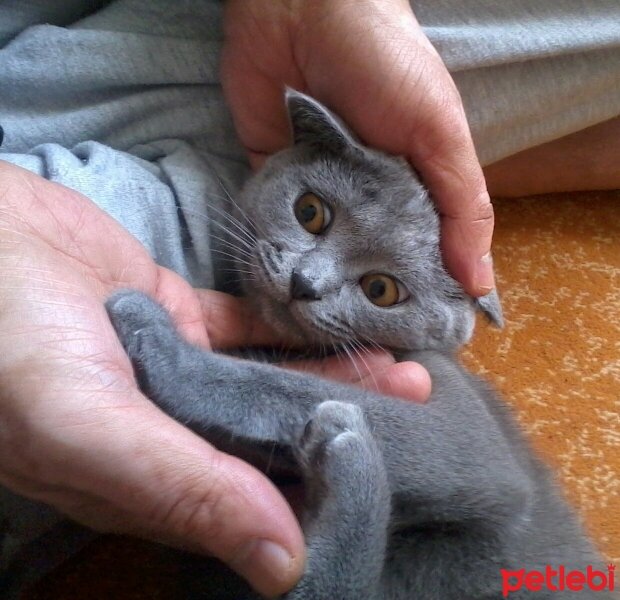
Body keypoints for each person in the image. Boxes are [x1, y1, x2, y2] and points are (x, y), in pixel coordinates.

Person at [0, 1, 618, 597]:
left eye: (380, 290)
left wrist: (192, 379)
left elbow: (487, 490)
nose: (308, 280)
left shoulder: (411, 368)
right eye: (313, 214)